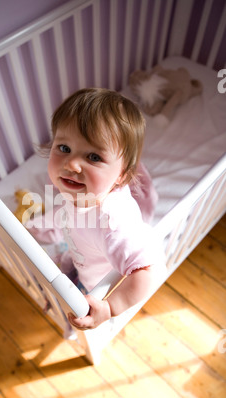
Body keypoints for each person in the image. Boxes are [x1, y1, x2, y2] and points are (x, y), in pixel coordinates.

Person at [27, 88, 166, 330]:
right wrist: (37, 229)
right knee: (54, 270)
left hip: (97, 283)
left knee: (74, 311)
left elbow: (149, 271)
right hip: (81, 256)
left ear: (121, 175)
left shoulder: (112, 223)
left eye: (93, 156)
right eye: (64, 148)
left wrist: (110, 307)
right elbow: (64, 215)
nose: (71, 164)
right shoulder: (78, 189)